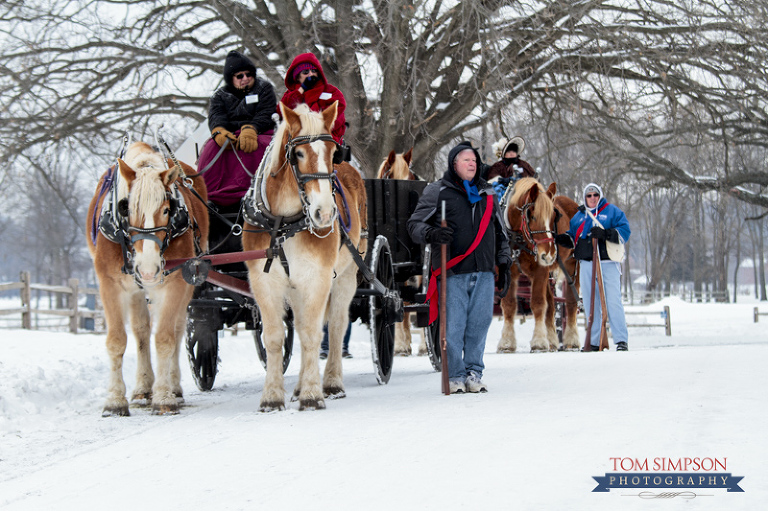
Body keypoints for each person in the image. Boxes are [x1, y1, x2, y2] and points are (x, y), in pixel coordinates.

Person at [407, 142, 512, 394]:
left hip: (484, 269)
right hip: (453, 270)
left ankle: (474, 372)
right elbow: (414, 225)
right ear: (454, 164)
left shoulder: (488, 193)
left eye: (474, 160)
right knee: (454, 325)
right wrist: (432, 232)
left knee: (480, 323)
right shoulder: (438, 191)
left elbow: (500, 231)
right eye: (466, 160)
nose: (472, 163)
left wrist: (504, 262)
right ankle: (455, 374)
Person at [555, 183, 631, 351]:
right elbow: (572, 237)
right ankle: (594, 341)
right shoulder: (579, 217)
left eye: (595, 195)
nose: (592, 198)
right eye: (589, 196)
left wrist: (606, 234)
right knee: (591, 303)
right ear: (585, 197)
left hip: (607, 262)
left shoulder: (612, 211)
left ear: (600, 195)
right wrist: (558, 238)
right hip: (587, 263)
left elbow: (625, 230)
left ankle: (621, 340)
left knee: (613, 301)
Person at [198, 50, 277, 206]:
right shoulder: (220, 95)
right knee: (212, 148)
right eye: (239, 76)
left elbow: (266, 112)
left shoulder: (264, 88)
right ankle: (207, 196)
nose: (245, 79)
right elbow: (216, 116)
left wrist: (252, 129)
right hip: (231, 135)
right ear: (231, 78)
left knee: (261, 147)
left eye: (248, 74)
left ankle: (263, 190)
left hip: (259, 132)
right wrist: (219, 132)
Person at [279, 53, 347, 148]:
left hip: (327, 139)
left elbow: (337, 115)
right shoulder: (290, 95)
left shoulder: (331, 91)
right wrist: (301, 91)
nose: (311, 74)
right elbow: (282, 112)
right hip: (298, 142)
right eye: (306, 72)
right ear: (298, 76)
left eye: (314, 71)